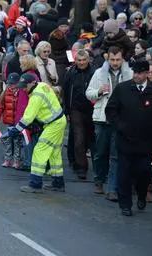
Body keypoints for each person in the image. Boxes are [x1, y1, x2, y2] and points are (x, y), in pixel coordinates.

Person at [105, 60, 152, 217]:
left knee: (143, 172)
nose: (137, 76)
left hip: (147, 142)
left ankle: (141, 194)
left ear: (147, 74)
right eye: (135, 73)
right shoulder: (123, 88)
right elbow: (111, 110)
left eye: (140, 73)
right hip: (126, 140)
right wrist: (120, 126)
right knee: (124, 173)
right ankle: (125, 204)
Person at [86, 46, 133, 199]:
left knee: (115, 155)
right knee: (100, 153)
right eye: (112, 60)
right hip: (101, 118)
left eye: (118, 59)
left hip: (120, 120)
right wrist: (99, 92)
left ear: (122, 59)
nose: (115, 63)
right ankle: (98, 180)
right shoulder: (99, 73)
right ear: (108, 59)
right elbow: (89, 93)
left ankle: (112, 189)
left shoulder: (129, 74)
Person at [9, 73, 67, 193]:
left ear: (32, 83)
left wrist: (15, 130)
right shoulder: (42, 85)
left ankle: (35, 184)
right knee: (54, 153)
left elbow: (27, 118)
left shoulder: (36, 96)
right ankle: (58, 183)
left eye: (25, 86)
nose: (23, 89)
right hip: (58, 121)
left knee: (39, 151)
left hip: (53, 124)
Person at [63, 49, 95, 180]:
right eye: (79, 60)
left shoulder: (94, 72)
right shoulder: (71, 73)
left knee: (92, 139)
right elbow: (65, 91)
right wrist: (67, 110)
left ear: (88, 60)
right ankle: (81, 166)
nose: (81, 63)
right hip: (75, 108)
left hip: (92, 108)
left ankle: (99, 168)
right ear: (75, 60)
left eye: (83, 60)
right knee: (79, 138)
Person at [0, 73, 24, 169]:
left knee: (17, 142)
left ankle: (17, 160)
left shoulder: (21, 93)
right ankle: (7, 159)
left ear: (18, 83)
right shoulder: (5, 93)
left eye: (13, 84)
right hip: (9, 121)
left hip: (18, 122)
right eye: (9, 84)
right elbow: (0, 106)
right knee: (7, 141)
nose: (11, 86)